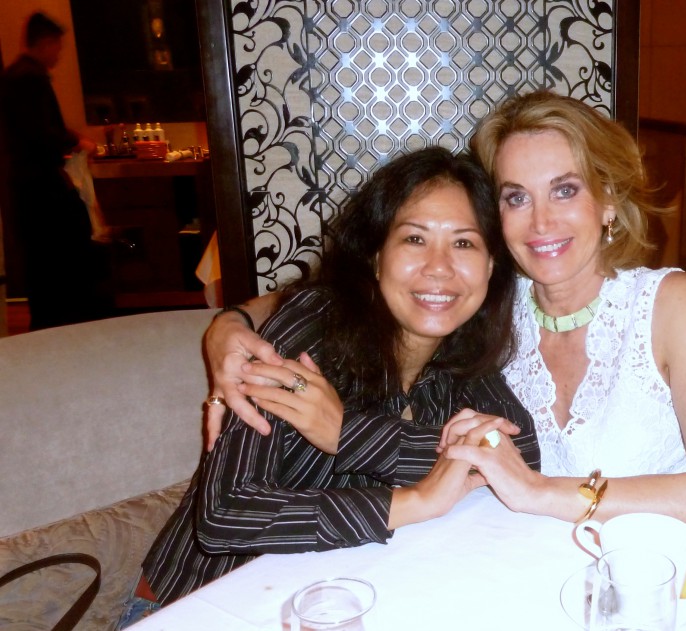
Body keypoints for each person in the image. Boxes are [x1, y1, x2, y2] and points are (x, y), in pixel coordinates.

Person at [202, 90, 686, 539]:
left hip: (685, 563)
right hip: (544, 570)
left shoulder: (668, 302)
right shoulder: (486, 306)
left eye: (565, 190)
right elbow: (323, 296)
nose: (540, 222)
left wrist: (539, 492)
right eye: (516, 197)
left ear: (609, 199)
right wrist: (229, 327)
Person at [119, 147, 540, 626]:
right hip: (196, 608)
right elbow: (226, 512)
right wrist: (416, 501)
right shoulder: (313, 328)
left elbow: (521, 456)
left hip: (338, 603)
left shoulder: (462, 351)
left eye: (464, 243)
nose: (439, 267)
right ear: (376, 256)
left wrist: (345, 432)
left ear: (490, 265)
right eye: (414, 239)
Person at [0, 12, 111, 329]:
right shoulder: (30, 80)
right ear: (46, 43)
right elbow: (41, 133)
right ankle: (66, 318)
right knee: (62, 249)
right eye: (57, 47)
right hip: (39, 185)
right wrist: (76, 142)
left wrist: (70, 138)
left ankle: (51, 319)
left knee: (40, 258)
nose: (59, 54)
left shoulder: (15, 76)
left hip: (25, 184)